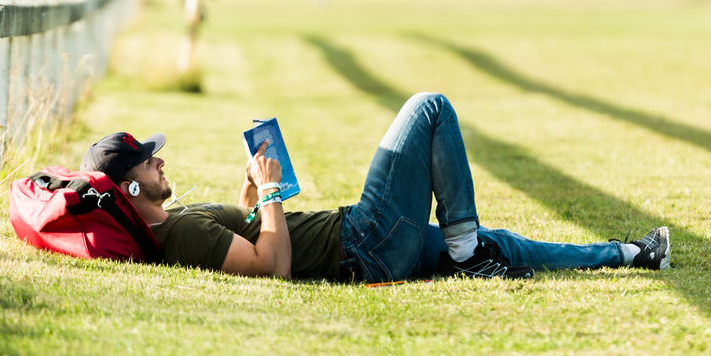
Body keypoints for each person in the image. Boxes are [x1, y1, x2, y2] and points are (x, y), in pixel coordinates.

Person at [79, 92, 670, 282]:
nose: (160, 162)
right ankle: (464, 255)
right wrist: (272, 199)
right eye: (147, 163)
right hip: (364, 241)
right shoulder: (178, 234)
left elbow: (248, 233)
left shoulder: (181, 225)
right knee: (428, 107)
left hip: (370, 246)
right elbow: (274, 264)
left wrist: (255, 194)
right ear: (129, 191)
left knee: (502, 244)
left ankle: (629, 254)